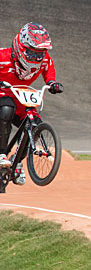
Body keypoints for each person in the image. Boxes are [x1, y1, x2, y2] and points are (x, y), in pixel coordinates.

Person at [0, 22, 64, 185]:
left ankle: (17, 160)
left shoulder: (44, 61)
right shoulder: (3, 57)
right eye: (31, 53)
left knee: (35, 124)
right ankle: (1, 154)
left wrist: (52, 83)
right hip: (2, 95)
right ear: (20, 47)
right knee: (6, 108)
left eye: (39, 54)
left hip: (21, 97)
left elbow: (48, 68)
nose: (36, 58)